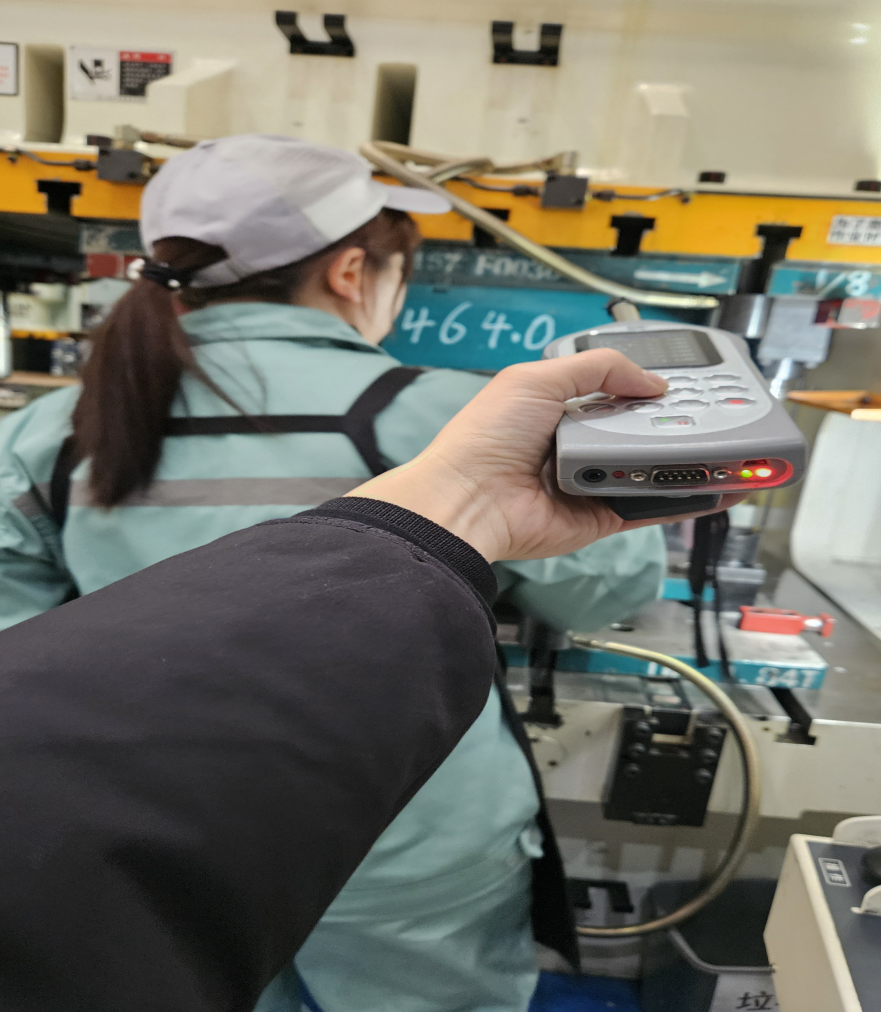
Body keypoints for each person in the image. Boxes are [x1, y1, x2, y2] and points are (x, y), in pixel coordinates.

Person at [0, 136, 667, 1012]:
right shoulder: (456, 415)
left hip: (150, 841)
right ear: (353, 271)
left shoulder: (48, 432)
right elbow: (609, 586)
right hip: (407, 839)